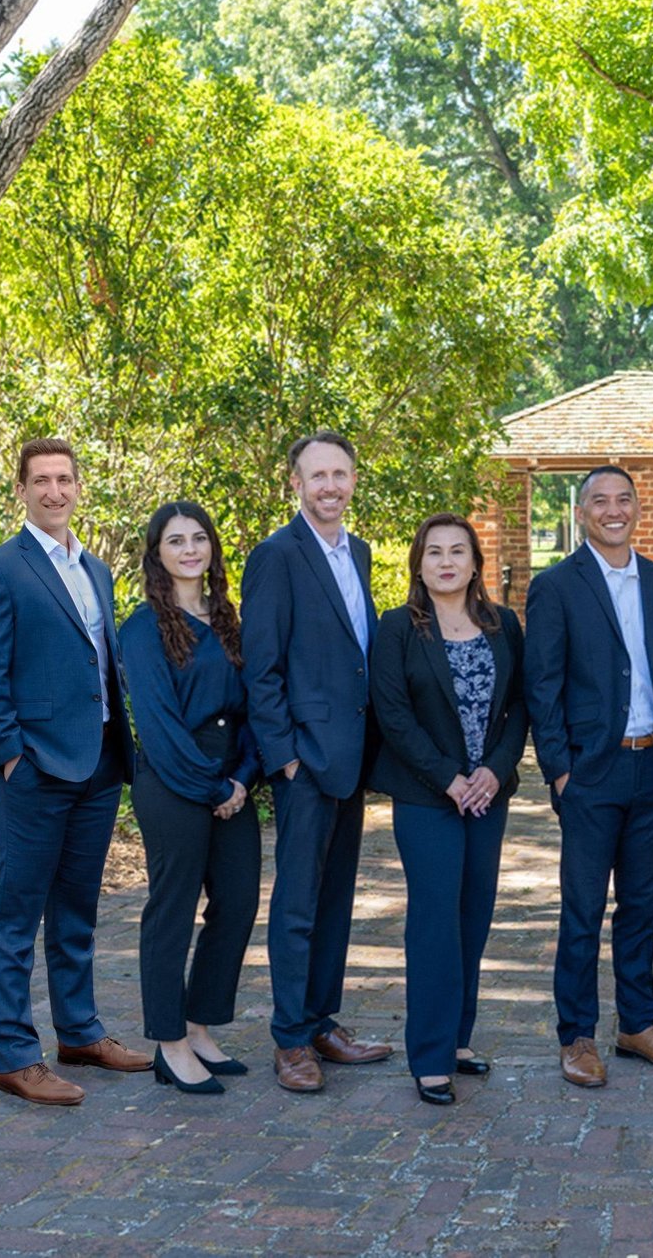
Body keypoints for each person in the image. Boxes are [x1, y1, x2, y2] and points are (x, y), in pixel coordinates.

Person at [0, 437, 150, 1106]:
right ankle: (16, 1056)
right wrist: (10, 753)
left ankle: (79, 1032)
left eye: (64, 479)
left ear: (78, 487)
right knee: (15, 917)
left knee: (76, 910)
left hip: (97, 763)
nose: (53, 491)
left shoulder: (96, 569)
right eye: (39, 480)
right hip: (33, 770)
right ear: (21, 490)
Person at [525, 466, 653, 1090]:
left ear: (639, 509)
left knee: (643, 906)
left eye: (624, 499)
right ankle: (576, 1035)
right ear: (581, 513)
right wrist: (560, 770)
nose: (613, 509)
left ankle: (638, 1025)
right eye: (600, 501)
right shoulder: (555, 586)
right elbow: (541, 686)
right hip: (590, 772)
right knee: (582, 909)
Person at [242, 431, 393, 1092]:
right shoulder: (276, 556)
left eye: (340, 474)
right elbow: (263, 667)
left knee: (335, 901)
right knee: (298, 904)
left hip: (351, 759)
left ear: (353, 480)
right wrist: (286, 759)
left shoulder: (355, 552)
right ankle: (290, 1040)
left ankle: (322, 1021)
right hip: (306, 761)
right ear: (295, 483)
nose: (330, 486)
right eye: (317, 476)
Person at [370, 516, 529, 1106]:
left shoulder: (504, 625)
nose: (445, 561)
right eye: (433, 552)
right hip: (427, 797)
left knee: (474, 915)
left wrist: (493, 771)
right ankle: (430, 1058)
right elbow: (393, 715)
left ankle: (458, 1041)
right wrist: (450, 780)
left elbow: (520, 707)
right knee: (435, 921)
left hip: (488, 794)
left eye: (457, 551)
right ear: (418, 563)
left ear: (474, 563)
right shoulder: (398, 629)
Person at [119, 501, 263, 1096]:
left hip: (232, 777)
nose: (189, 550)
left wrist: (242, 780)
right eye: (175, 541)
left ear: (212, 548)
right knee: (172, 909)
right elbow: (157, 724)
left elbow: (256, 704)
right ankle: (169, 1043)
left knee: (237, 902)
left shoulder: (231, 619)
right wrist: (209, 786)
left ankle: (199, 1026)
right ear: (157, 553)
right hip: (175, 780)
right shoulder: (143, 627)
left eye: (199, 538)